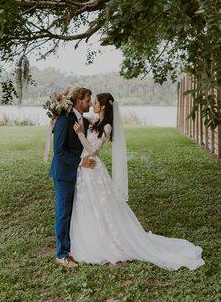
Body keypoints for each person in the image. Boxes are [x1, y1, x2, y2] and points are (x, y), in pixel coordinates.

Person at [69, 92, 205, 271]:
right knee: (89, 203)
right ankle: (90, 237)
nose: (92, 105)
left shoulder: (107, 126)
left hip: (92, 164)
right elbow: (80, 113)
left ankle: (108, 241)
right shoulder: (95, 120)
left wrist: (80, 134)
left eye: (94, 102)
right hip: (84, 167)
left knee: (100, 204)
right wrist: (64, 108)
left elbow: (93, 150)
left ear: (102, 106)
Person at [49, 87, 96, 268]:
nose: (89, 104)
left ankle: (71, 248)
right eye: (87, 101)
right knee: (63, 213)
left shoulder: (81, 118)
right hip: (63, 173)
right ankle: (61, 255)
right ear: (77, 101)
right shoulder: (64, 119)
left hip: (76, 174)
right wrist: (79, 162)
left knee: (73, 212)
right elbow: (59, 151)